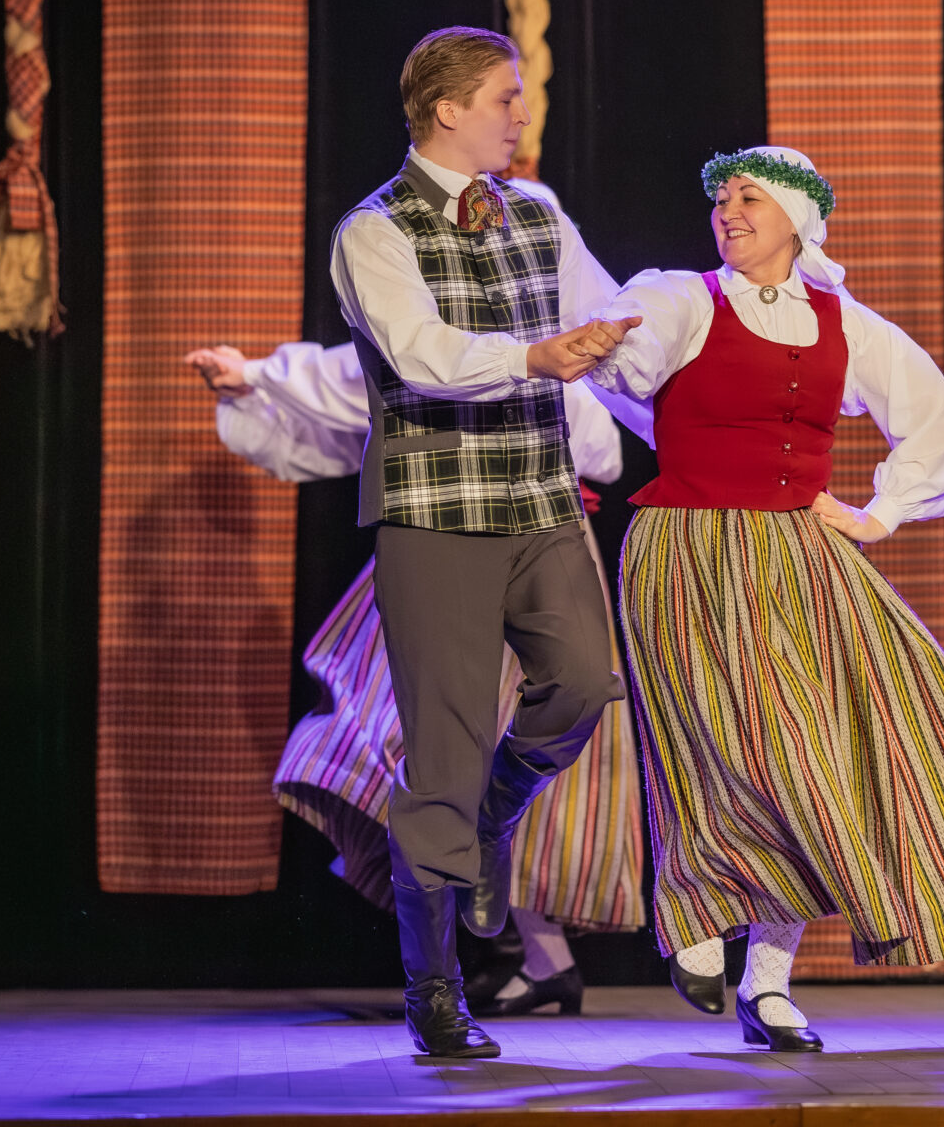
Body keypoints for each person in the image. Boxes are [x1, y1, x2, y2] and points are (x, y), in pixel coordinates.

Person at [588, 147, 944, 1052]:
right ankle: (696, 912)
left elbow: (935, 425)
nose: (729, 211)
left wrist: (879, 514)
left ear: (798, 217)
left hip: (800, 556)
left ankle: (768, 981)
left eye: (749, 197)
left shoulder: (846, 325)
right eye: (722, 199)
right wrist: (616, 347)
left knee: (819, 755)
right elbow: (632, 359)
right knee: (712, 737)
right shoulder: (683, 298)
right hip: (688, 549)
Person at [262, 25, 637, 1058]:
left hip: (542, 504)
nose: (520, 113)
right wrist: (535, 354)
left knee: (584, 683)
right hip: (435, 517)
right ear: (447, 109)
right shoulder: (373, 230)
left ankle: (493, 817)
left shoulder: (539, 213)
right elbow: (422, 354)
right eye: (506, 97)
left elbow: (611, 317)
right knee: (442, 756)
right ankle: (435, 990)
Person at [185, 329, 647, 1019]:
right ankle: (494, 969)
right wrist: (257, 379)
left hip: (534, 540)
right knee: (424, 743)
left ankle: (524, 960)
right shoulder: (433, 325)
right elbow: (366, 388)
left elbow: (602, 447)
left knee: (507, 750)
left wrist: (259, 376)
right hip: (447, 526)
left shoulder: (544, 319)